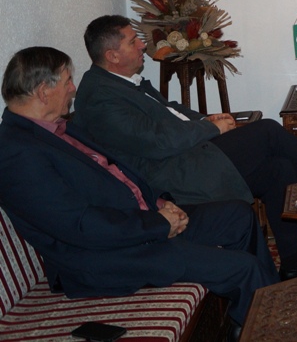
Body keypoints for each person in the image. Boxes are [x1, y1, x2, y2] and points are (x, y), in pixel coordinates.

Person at [0, 47, 278, 331]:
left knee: (238, 216)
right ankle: (270, 329)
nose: (73, 88)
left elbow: (117, 173)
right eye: (67, 80)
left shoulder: (56, 128)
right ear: (43, 91)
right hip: (107, 255)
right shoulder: (17, 153)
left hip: (138, 224)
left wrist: (159, 203)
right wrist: (158, 224)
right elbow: (79, 225)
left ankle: (249, 323)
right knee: (245, 268)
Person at [72, 15, 297, 281]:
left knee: (279, 170)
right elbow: (158, 142)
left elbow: (170, 111)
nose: (142, 46)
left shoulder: (118, 82)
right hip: (174, 174)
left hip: (189, 156)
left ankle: (294, 268)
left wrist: (206, 119)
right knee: (268, 132)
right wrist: (212, 129)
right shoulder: (100, 98)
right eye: (133, 41)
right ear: (112, 55)